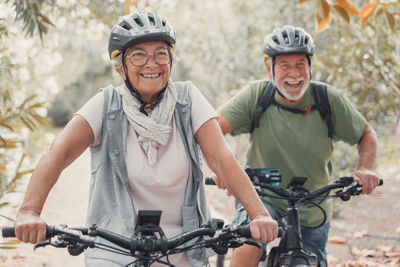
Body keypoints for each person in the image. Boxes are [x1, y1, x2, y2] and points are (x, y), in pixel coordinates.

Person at [13, 11, 278, 267]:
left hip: (183, 247)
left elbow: (221, 158)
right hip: (114, 249)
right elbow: (57, 153)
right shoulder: (106, 106)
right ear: (121, 68)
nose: (151, 64)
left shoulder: (188, 100)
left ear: (171, 62)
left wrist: (259, 214)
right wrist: (29, 212)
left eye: (160, 54)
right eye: (138, 55)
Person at [214, 25, 380, 267]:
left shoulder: (328, 100)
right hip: (262, 196)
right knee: (248, 245)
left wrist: (365, 168)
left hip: (313, 204)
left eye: (300, 64)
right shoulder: (257, 95)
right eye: (285, 65)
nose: (294, 74)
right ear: (269, 68)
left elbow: (366, 134)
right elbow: (213, 128)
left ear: (310, 66)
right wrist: (221, 168)